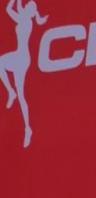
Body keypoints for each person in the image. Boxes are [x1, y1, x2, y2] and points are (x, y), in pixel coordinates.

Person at [0, 0, 48, 147]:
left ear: (31, 11)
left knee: (1, 62)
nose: (25, 5)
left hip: (21, 57)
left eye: (28, 5)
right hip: (21, 57)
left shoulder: (25, 20)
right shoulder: (25, 17)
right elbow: (17, 7)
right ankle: (28, 128)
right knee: (21, 96)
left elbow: (9, 9)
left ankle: (11, 92)